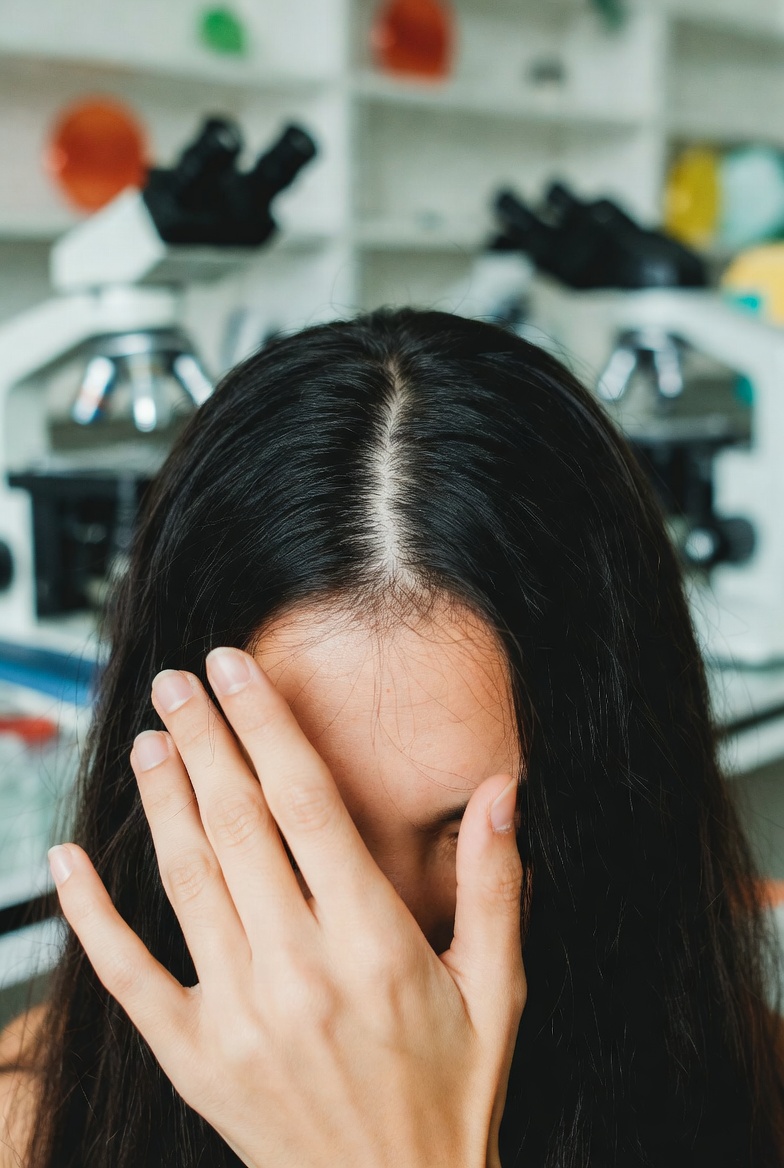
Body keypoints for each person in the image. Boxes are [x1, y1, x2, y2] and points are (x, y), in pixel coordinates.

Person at [1, 307, 783, 1167]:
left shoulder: (755, 1091)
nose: (388, 959)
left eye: (476, 831)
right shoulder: (25, 1125)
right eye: (303, 831)